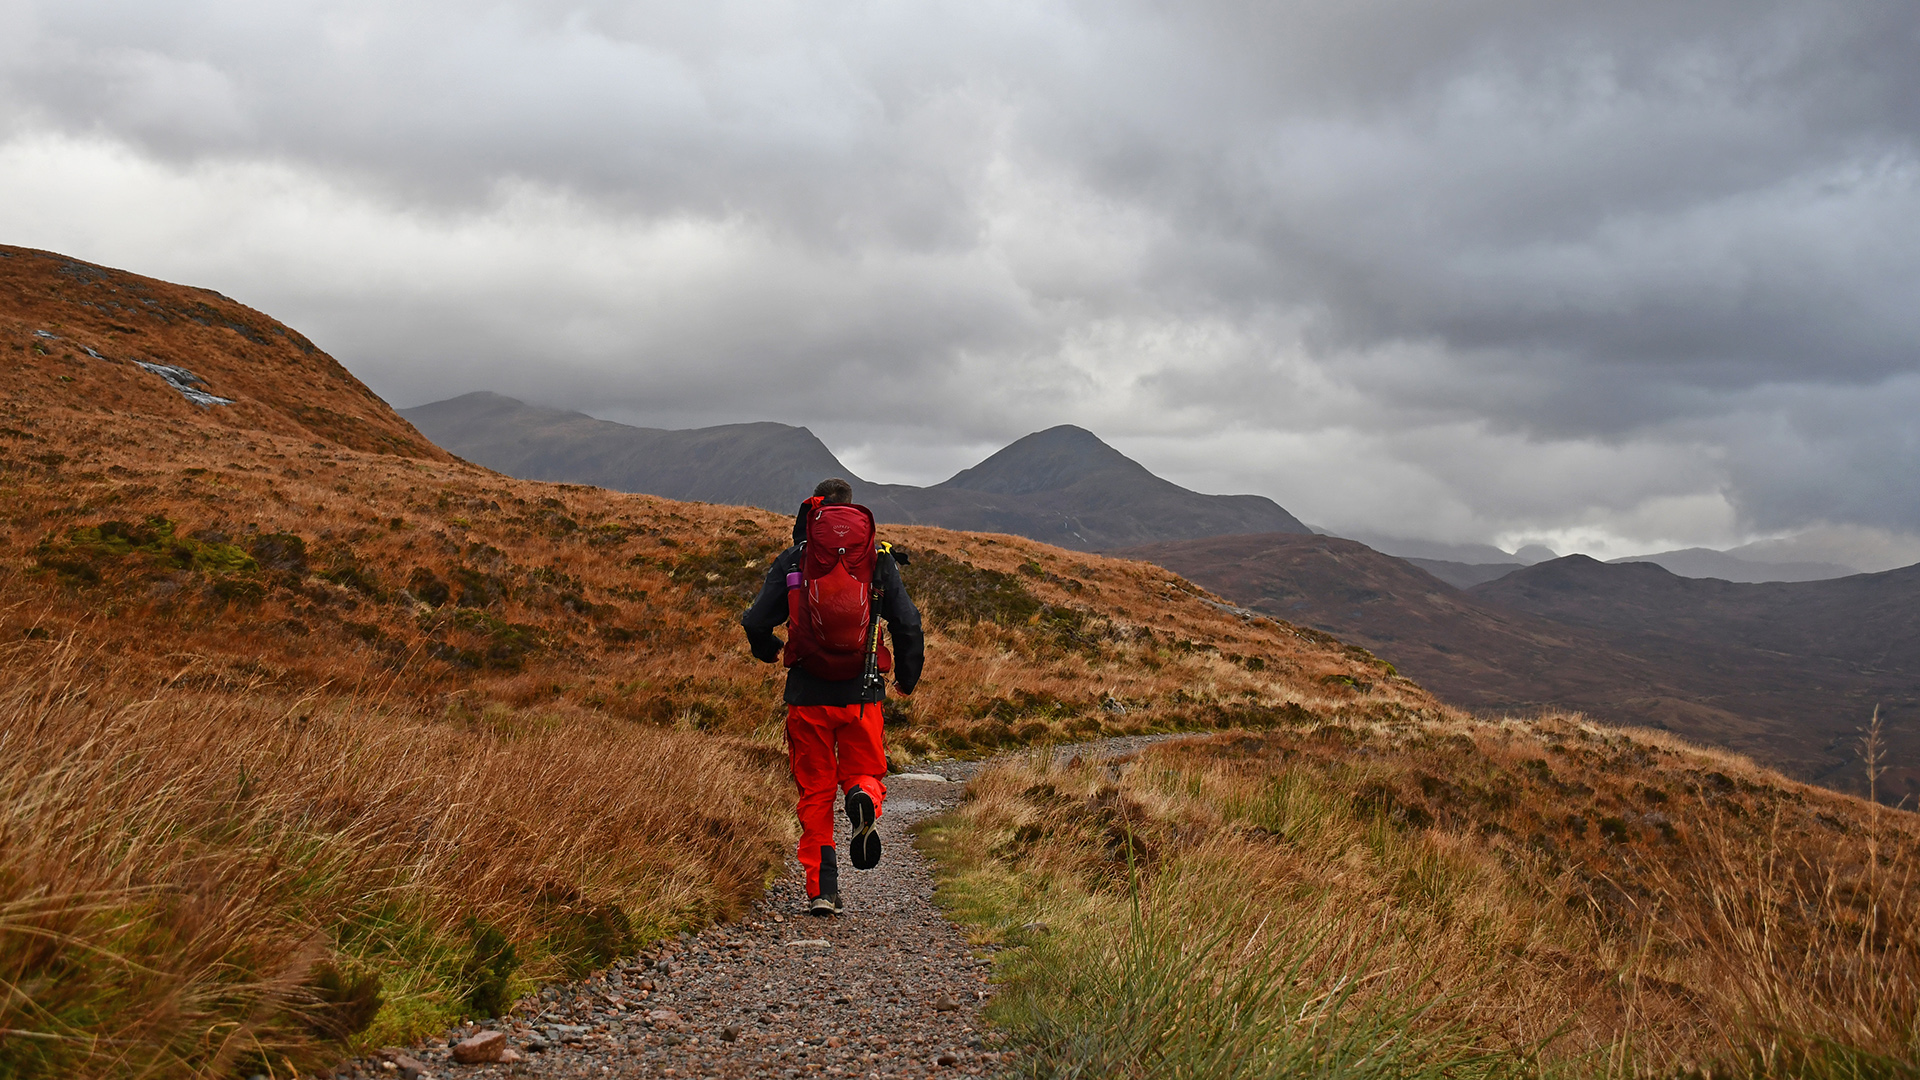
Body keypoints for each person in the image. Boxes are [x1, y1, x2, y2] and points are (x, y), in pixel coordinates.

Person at [741, 478, 924, 916]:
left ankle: (823, 889)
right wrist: (907, 678)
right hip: (862, 694)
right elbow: (908, 623)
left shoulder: (796, 557)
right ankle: (862, 796)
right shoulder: (877, 559)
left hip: (807, 695)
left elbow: (755, 620)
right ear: (853, 512)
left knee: (816, 793)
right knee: (865, 771)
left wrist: (769, 651)